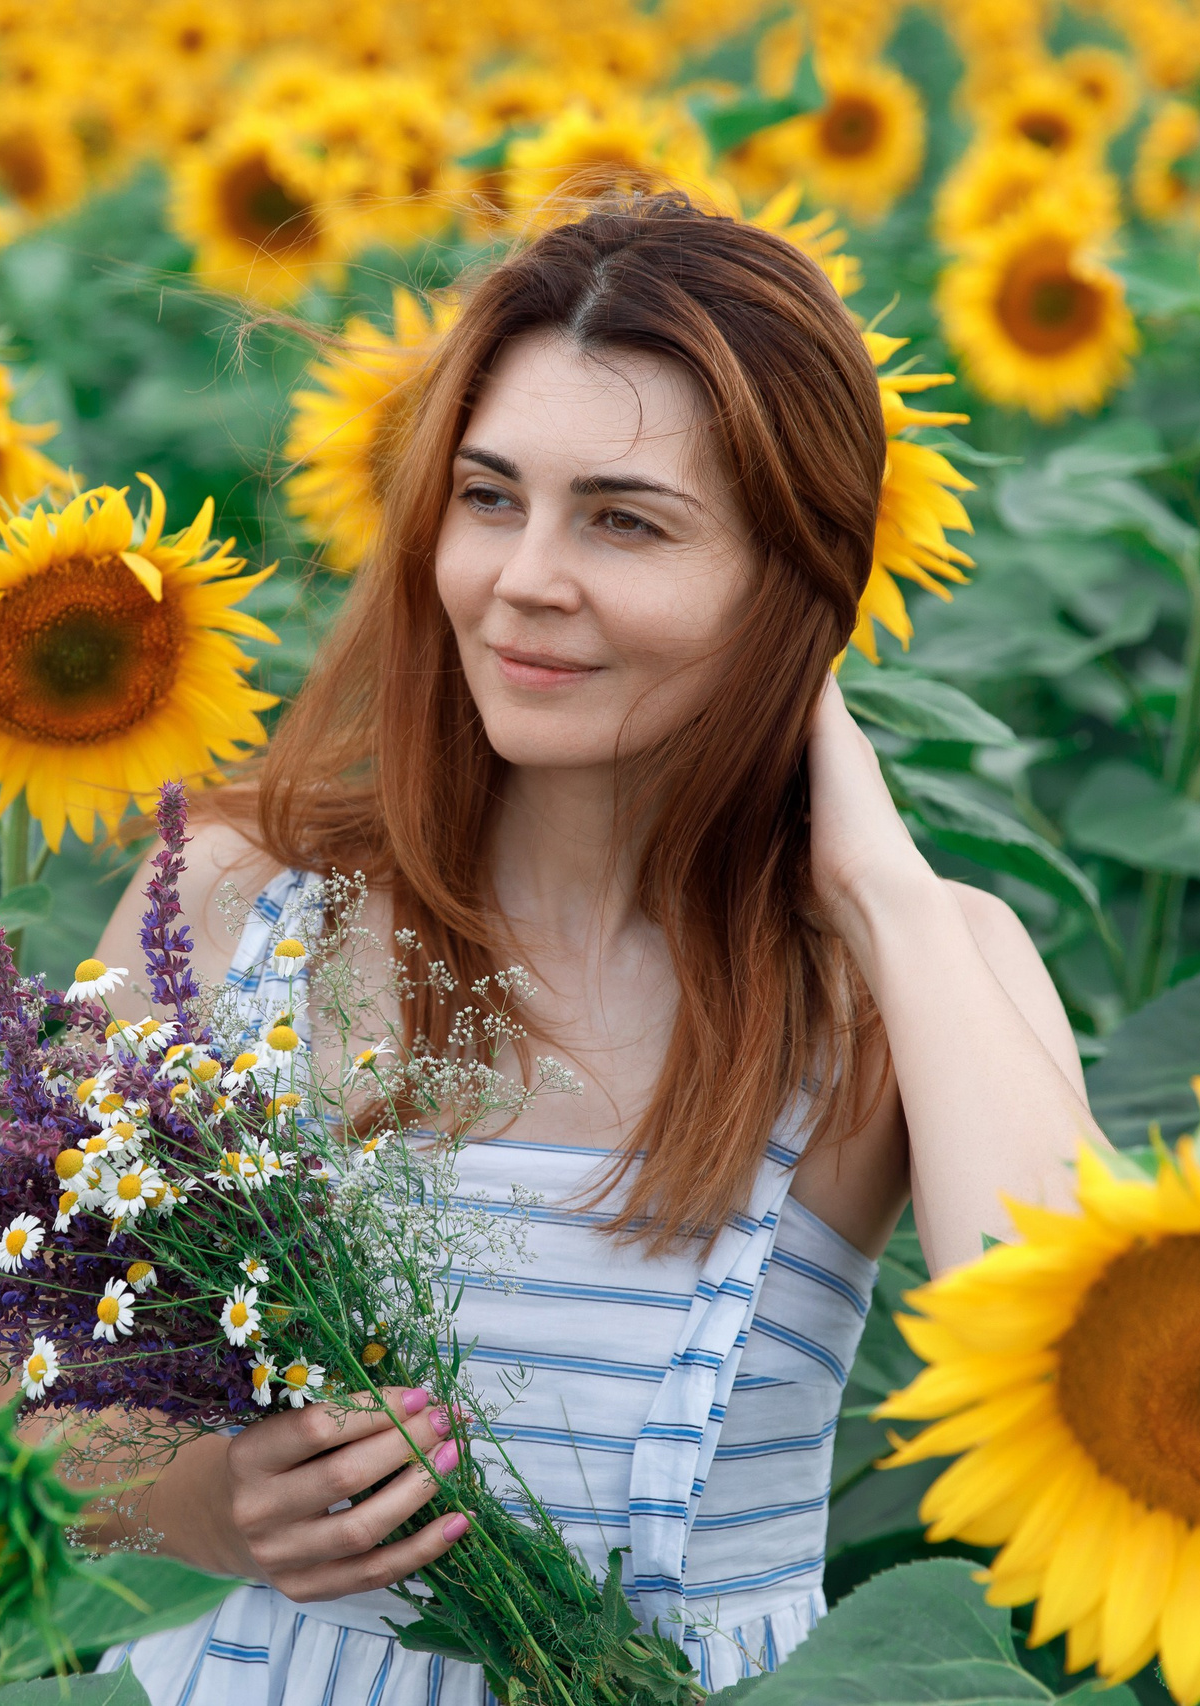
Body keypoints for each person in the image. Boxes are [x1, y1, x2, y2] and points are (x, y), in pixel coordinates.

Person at [80, 193, 1099, 1703]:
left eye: (624, 519)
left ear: (795, 575)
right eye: (490, 498)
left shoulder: (902, 980)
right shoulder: (232, 901)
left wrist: (883, 887)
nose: (522, 579)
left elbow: (1087, 1378)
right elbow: (11, 1404)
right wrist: (213, 1504)